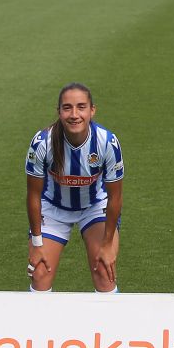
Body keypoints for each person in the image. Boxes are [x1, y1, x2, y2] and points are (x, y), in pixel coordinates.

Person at [25, 84, 125, 293]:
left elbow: (115, 197)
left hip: (94, 206)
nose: (74, 114)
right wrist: (36, 243)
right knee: (39, 273)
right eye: (67, 108)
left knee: (104, 272)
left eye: (81, 107)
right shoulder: (42, 143)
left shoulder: (107, 142)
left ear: (92, 110)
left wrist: (107, 245)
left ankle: (109, 316)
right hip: (53, 208)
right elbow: (33, 195)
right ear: (59, 111)